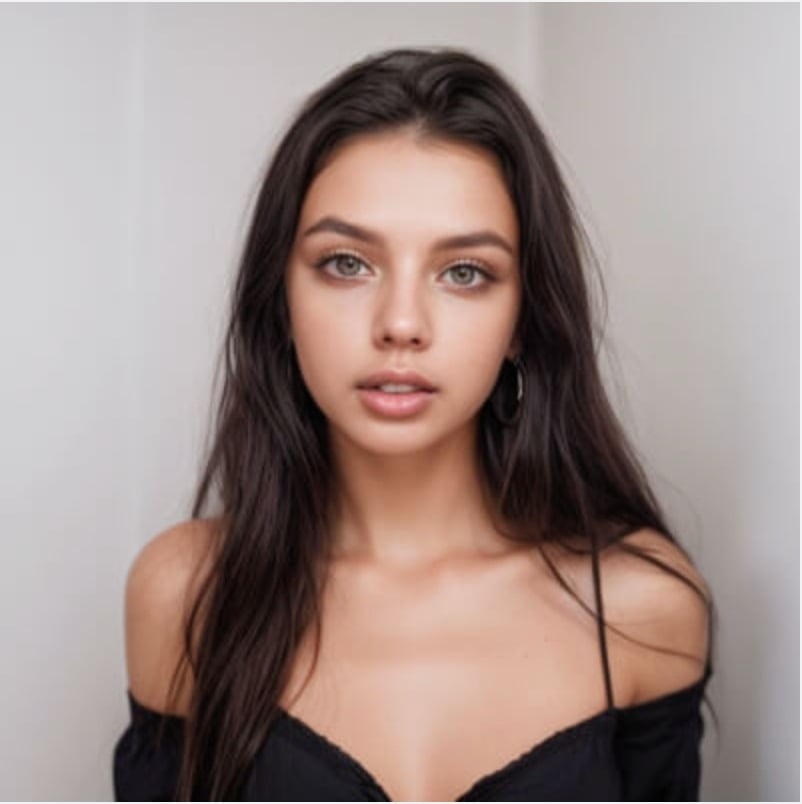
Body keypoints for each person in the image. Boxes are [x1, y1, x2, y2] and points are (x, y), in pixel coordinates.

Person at [113, 46, 715, 801]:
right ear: (281, 300)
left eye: (465, 272)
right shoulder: (185, 594)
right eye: (346, 263)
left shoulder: (640, 608)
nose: (401, 323)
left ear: (524, 317)